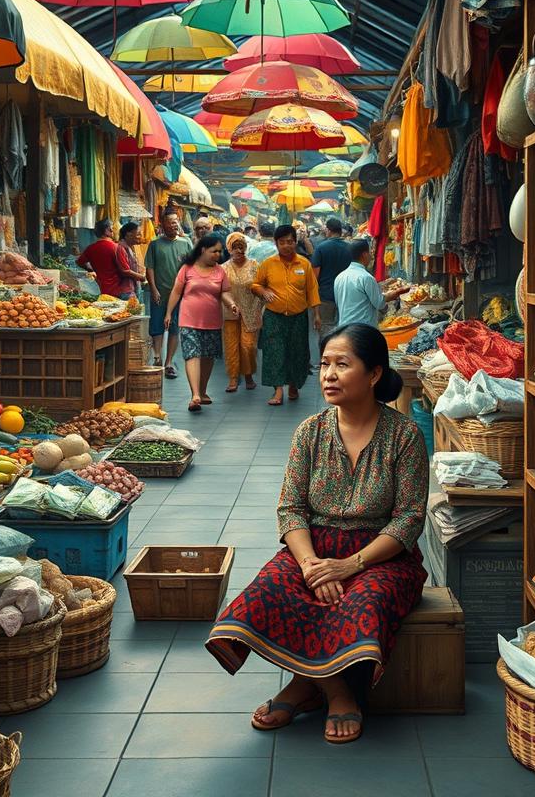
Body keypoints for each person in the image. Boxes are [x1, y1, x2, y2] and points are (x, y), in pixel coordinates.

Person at [207, 324, 428, 745]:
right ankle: (336, 689)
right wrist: (311, 565)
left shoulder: (404, 436)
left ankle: (302, 686)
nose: (328, 374)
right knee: (270, 591)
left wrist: (349, 565)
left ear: (374, 374)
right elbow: (290, 508)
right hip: (313, 547)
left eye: (342, 365)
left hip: (381, 555)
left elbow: (408, 520)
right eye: (324, 363)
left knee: (364, 601)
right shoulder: (310, 432)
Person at [165, 233, 240, 412]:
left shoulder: (220, 271)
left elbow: (224, 292)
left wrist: (231, 304)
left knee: (208, 356)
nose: (218, 255)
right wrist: (168, 313)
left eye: (220, 252)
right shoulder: (187, 268)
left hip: (212, 321)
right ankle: (195, 394)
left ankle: (203, 391)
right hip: (188, 319)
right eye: (214, 251)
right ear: (203, 249)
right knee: (192, 354)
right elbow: (176, 292)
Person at [251, 224, 321, 406]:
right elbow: (255, 285)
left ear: (295, 242)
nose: (286, 246)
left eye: (289, 242)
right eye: (282, 242)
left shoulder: (304, 264)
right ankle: (278, 391)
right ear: (276, 243)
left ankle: (293, 385)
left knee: (297, 352)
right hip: (274, 316)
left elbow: (312, 290)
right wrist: (263, 292)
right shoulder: (268, 264)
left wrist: (317, 315)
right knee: (275, 352)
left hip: (298, 317)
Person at [145, 213, 190, 376]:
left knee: (174, 328)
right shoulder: (155, 244)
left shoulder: (186, 243)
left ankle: (169, 362)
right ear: (163, 225)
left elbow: (191, 268)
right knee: (156, 327)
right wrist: (154, 289)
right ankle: (157, 357)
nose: (173, 225)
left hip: (178, 295)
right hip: (159, 293)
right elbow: (149, 268)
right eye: (170, 222)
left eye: (175, 222)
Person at [222, 232, 264, 392]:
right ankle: (233, 378)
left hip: (251, 310)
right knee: (231, 345)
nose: (239, 251)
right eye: (235, 247)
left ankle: (248, 375)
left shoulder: (254, 265)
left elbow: (262, 285)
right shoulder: (223, 268)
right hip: (229, 311)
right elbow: (220, 290)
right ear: (229, 249)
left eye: (241, 247)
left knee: (248, 346)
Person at [334, 240, 409, 328]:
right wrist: (398, 292)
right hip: (362, 328)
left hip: (344, 326)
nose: (371, 255)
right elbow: (379, 303)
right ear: (364, 255)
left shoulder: (340, 277)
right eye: (369, 252)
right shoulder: (366, 277)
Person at [311, 217, 353, 338]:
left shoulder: (321, 248)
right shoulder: (350, 248)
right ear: (341, 231)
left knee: (326, 333)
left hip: (326, 296)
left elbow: (315, 277)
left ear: (328, 231)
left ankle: (327, 355)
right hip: (346, 296)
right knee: (345, 332)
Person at [78, 219, 139, 299]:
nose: (113, 230)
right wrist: (141, 277)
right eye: (112, 228)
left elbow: (80, 262)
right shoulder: (117, 248)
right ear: (108, 230)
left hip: (101, 291)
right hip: (119, 292)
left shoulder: (90, 248)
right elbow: (125, 271)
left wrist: (91, 269)